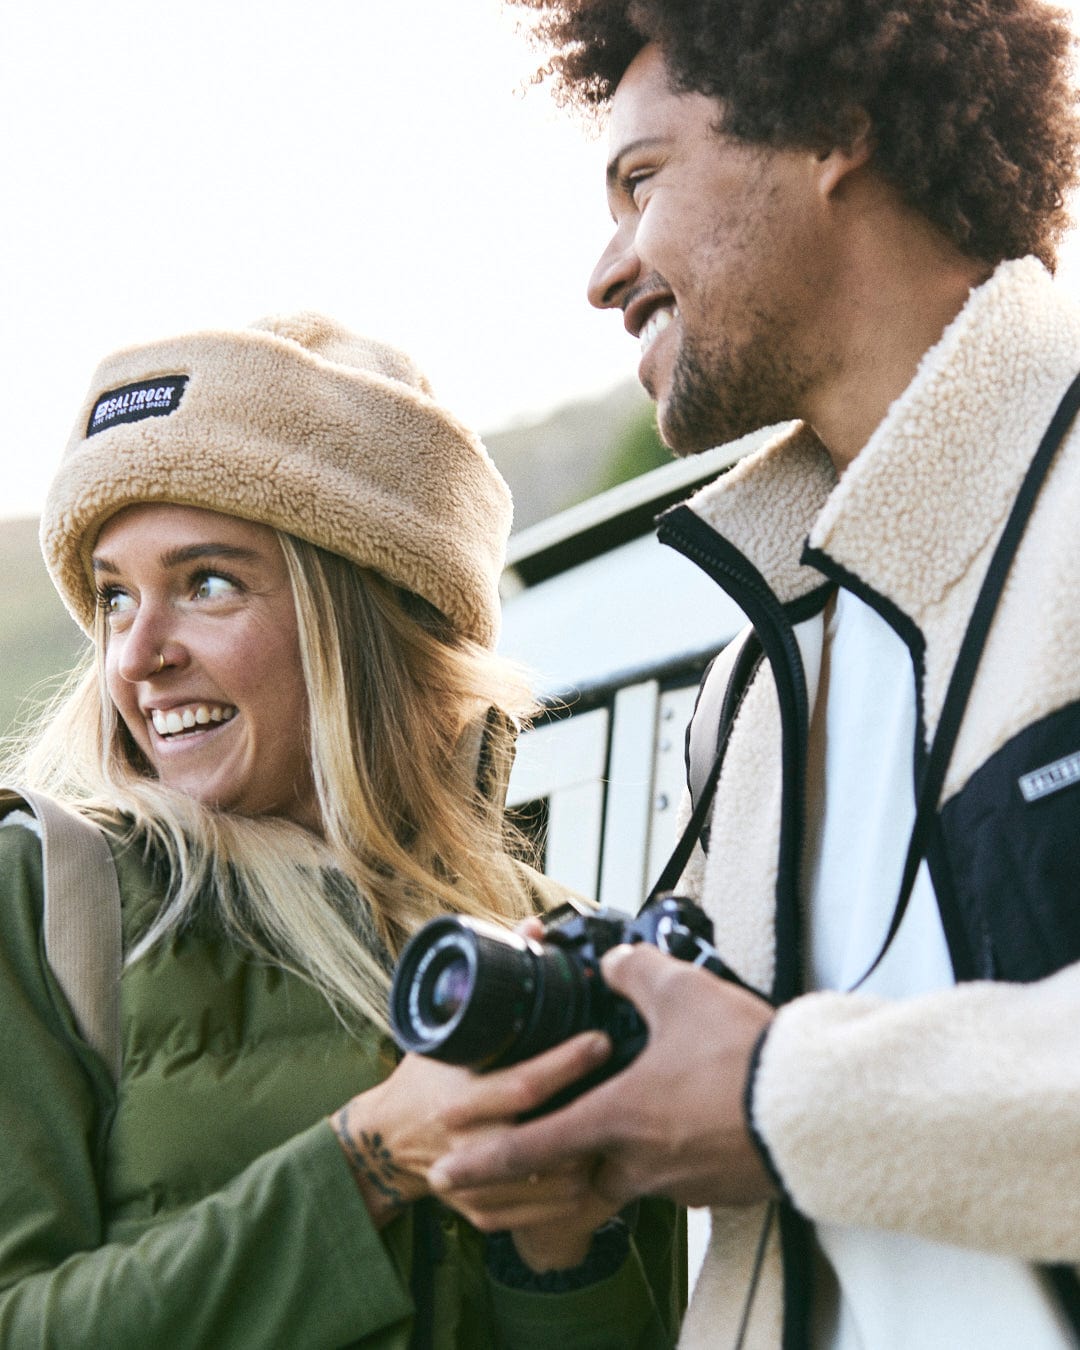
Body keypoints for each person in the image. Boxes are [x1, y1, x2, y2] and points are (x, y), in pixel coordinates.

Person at [429, 2, 1080, 1346]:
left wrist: (781, 1093)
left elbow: (775, 1100)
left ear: (836, 125)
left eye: (641, 180)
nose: (604, 274)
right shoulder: (757, 684)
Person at [0, 311, 683, 1347]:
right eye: (113, 597)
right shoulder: (48, 892)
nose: (135, 657)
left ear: (363, 611)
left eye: (207, 582)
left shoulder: (557, 947)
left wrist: (559, 1247)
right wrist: (368, 1159)